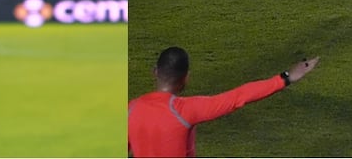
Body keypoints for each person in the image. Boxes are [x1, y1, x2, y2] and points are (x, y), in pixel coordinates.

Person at [127, 47, 319, 157]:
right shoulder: (185, 111)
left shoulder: (130, 110)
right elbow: (237, 97)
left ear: (155, 72)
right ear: (186, 78)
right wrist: (286, 78)